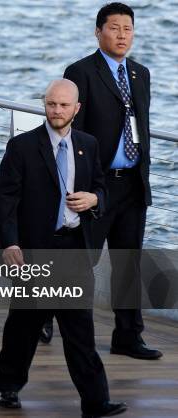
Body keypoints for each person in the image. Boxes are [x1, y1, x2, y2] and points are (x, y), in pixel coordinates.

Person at [0, 79, 127, 418]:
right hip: (34, 250)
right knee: (23, 325)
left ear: (76, 109)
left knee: (80, 329)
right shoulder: (22, 146)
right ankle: (8, 385)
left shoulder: (89, 145)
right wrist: (10, 242)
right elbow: (4, 199)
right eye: (51, 104)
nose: (56, 110)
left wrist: (95, 198)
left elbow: (100, 186)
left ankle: (96, 401)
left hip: (73, 249)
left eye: (64, 105)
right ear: (45, 105)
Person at [58, 2, 161, 360]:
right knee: (79, 259)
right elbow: (71, 131)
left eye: (128, 29)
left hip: (132, 184)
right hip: (96, 186)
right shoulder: (81, 72)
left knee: (128, 262)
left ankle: (128, 336)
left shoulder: (140, 73)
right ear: (98, 31)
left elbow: (141, 128)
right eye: (114, 28)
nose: (122, 35)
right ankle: (43, 315)